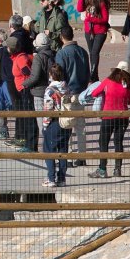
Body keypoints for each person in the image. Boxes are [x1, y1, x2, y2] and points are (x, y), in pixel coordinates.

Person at [87, 62, 130, 179]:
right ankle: (117, 169)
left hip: (108, 116)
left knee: (103, 142)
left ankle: (102, 169)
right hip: (123, 116)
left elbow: (94, 93)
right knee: (118, 142)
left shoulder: (108, 81)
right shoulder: (128, 84)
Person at [54, 25, 91, 161]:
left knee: (66, 124)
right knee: (80, 126)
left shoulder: (61, 53)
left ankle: (68, 156)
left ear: (61, 37)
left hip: (68, 92)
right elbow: (88, 72)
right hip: (81, 92)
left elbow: (59, 75)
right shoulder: (82, 51)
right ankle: (82, 156)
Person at [18, 33, 56, 152]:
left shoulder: (39, 57)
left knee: (42, 121)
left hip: (39, 92)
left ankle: (47, 148)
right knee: (51, 120)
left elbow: (35, 76)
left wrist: (24, 84)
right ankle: (52, 145)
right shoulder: (54, 54)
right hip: (52, 90)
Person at [42, 64, 72, 188]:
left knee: (49, 151)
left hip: (54, 122)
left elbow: (48, 109)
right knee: (63, 151)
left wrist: (45, 124)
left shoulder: (50, 90)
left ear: (51, 75)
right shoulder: (66, 88)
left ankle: (51, 178)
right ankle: (62, 178)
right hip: (66, 122)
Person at [76, 0, 110, 81]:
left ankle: (93, 74)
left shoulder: (101, 3)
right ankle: (95, 76)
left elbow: (105, 19)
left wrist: (91, 19)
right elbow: (79, 8)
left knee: (95, 52)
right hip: (89, 31)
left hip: (100, 32)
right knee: (91, 53)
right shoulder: (87, 3)